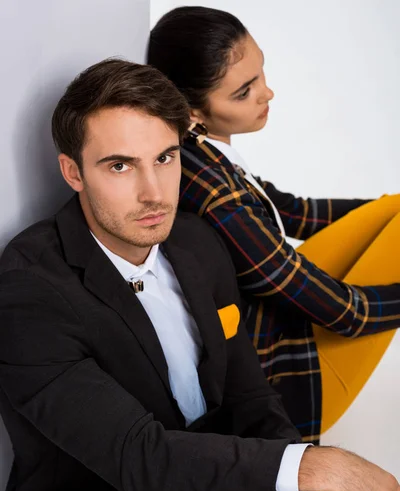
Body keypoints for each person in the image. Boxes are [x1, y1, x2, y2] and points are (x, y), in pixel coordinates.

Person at [0, 58, 399, 491]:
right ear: (73, 172)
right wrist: (314, 465)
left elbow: (251, 397)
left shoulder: (195, 244)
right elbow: (140, 459)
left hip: (203, 479)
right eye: (120, 166)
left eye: (164, 158)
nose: (153, 192)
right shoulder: (29, 290)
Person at [147, 6, 400, 443]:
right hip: (282, 383)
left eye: (260, 73)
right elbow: (345, 316)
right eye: (243, 92)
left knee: (396, 208)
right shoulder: (212, 191)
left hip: (277, 326)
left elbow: (293, 211)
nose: (268, 93)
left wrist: (383, 207)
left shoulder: (199, 155)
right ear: (192, 110)